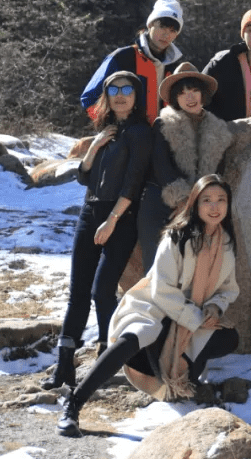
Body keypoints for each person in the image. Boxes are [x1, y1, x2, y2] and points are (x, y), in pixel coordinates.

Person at [57, 175, 241, 437]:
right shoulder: (177, 237)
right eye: (207, 200)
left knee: (229, 338)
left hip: (189, 317)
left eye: (221, 200)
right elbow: (162, 290)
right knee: (133, 338)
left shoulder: (225, 244)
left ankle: (179, 378)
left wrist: (214, 308)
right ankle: (73, 404)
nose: (214, 207)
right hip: (154, 306)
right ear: (195, 204)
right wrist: (197, 317)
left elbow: (228, 289)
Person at [44, 72, 152, 391]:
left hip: (120, 218)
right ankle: (65, 366)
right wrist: (95, 146)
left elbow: (134, 181)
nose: (120, 95)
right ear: (106, 96)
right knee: (77, 294)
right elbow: (83, 177)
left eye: (127, 90)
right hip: (89, 213)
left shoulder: (140, 132)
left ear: (136, 95)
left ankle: (107, 361)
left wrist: (113, 220)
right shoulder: (107, 130)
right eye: (114, 90)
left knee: (102, 292)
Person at [137, 63, 233, 271]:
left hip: (201, 205)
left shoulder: (219, 129)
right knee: (156, 267)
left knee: (192, 267)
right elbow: (160, 165)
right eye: (182, 93)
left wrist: (199, 203)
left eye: (194, 90)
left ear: (203, 93)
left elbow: (218, 173)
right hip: (161, 200)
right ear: (175, 98)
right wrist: (182, 200)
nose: (189, 97)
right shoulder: (164, 123)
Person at [80, 0, 184, 123]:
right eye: (162, 27)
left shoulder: (176, 68)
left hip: (160, 140)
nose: (166, 34)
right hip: (124, 139)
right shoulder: (122, 57)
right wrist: (110, 127)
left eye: (172, 30)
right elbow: (89, 98)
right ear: (150, 24)